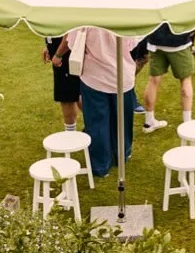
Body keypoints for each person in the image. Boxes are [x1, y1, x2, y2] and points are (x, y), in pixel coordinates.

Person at [52, 26, 140, 177]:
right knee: (121, 119)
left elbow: (72, 42)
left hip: (95, 77)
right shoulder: (125, 18)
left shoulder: (85, 19)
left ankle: (100, 164)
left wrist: (58, 55)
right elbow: (132, 43)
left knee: (97, 122)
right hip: (120, 75)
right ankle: (122, 154)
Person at [136, 22, 195, 133]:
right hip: (177, 41)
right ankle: (187, 123)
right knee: (186, 80)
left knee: (153, 81)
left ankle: (149, 121)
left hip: (156, 40)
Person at [42, 35, 82, 130]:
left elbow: (69, 34)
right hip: (61, 49)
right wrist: (49, 45)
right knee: (73, 93)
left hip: (66, 53)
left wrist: (58, 54)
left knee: (68, 96)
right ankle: (97, 125)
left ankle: (72, 134)